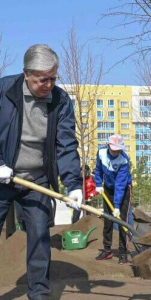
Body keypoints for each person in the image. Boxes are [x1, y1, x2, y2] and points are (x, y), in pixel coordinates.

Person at [0, 44, 82, 300]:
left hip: (37, 180)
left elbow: (66, 144)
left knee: (39, 238)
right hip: (3, 177)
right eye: (42, 79)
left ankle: (39, 294)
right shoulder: (4, 92)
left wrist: (74, 184)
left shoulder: (60, 101)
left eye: (53, 78)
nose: (48, 84)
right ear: (26, 74)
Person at [94, 135, 132, 265]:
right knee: (108, 220)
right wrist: (98, 184)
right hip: (108, 189)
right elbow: (98, 170)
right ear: (108, 146)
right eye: (114, 149)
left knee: (122, 221)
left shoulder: (124, 160)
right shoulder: (101, 153)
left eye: (118, 149)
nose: (116, 152)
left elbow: (120, 185)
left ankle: (122, 252)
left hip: (123, 190)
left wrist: (116, 206)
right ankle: (107, 249)